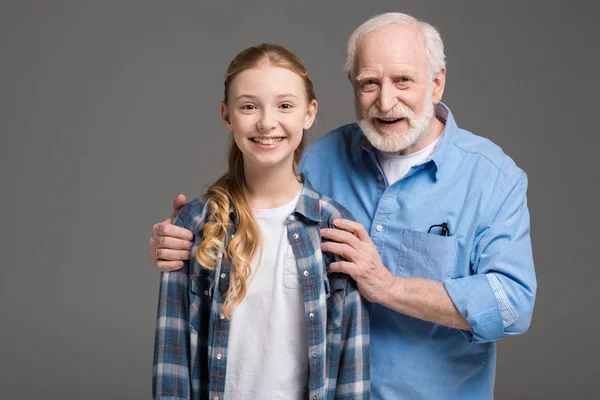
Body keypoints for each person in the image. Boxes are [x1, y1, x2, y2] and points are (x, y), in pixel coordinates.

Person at [150, 13, 536, 400]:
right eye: (370, 83)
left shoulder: (492, 179)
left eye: (403, 80)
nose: (386, 101)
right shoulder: (320, 160)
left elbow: (512, 305)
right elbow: (255, 216)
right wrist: (186, 237)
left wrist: (386, 285)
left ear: (436, 84)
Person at [152, 43, 370, 400]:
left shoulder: (333, 227)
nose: (267, 122)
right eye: (249, 106)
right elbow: (172, 357)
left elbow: (351, 362)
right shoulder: (195, 223)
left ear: (309, 113)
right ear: (227, 115)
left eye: (285, 105)